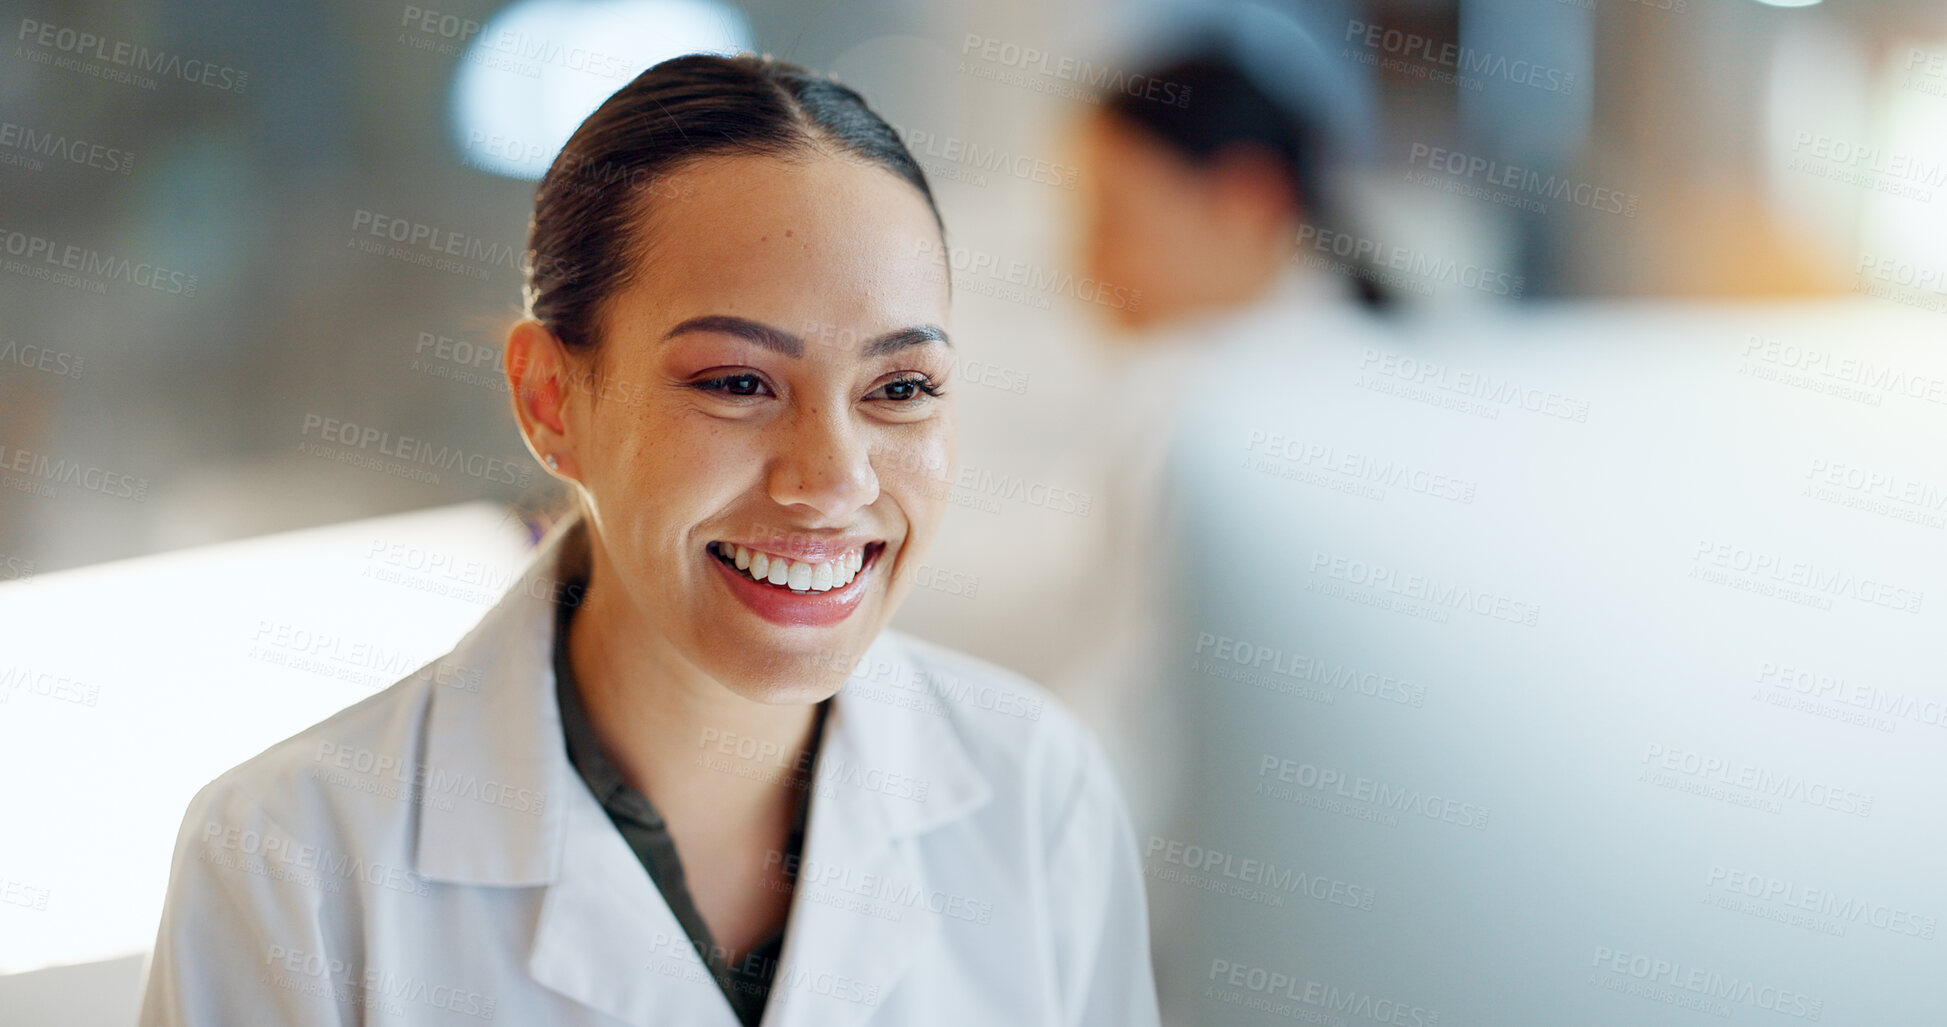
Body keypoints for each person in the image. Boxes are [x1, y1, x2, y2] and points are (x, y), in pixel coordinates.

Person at [139, 54, 1160, 1027]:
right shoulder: (293, 863)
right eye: (736, 383)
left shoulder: (1038, 795)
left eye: (899, 389)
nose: (833, 480)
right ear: (550, 401)